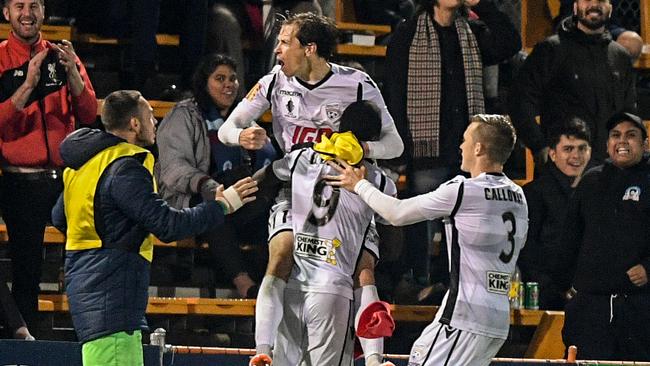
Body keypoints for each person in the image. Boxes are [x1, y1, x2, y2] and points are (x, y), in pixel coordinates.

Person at [218, 12, 404, 365]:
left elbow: (395, 145)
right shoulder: (275, 82)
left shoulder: (359, 83)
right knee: (281, 254)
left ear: (310, 48)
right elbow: (229, 128)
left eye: (285, 42)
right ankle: (263, 352)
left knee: (363, 268)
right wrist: (241, 136)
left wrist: (363, 151)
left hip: (347, 186)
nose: (277, 50)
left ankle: (376, 358)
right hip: (296, 184)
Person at [51, 90, 258, 365]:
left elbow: (59, 218)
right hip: (112, 294)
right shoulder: (126, 167)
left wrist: (107, 231)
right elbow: (168, 225)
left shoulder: (85, 165)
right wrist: (222, 205)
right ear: (134, 124)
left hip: (94, 289)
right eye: (150, 115)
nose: (155, 122)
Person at [329, 114, 528, 366]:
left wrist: (359, 185)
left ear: (479, 148)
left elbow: (396, 214)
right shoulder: (518, 195)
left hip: (464, 316)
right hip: (498, 318)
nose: (460, 146)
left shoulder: (464, 190)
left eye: (465, 140)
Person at [384, 0, 521, 289]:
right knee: (422, 218)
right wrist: (403, 146)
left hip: (469, 147)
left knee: (467, 219)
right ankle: (420, 281)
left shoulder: (472, 31)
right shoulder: (408, 34)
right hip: (427, 146)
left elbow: (510, 43)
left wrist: (481, 5)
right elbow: (395, 93)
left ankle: (457, 282)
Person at [264, 100, 397, 365]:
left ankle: (262, 348)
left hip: (295, 286)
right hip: (334, 289)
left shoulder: (302, 156)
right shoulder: (376, 178)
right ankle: (374, 358)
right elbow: (392, 215)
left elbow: (271, 173)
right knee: (365, 272)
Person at [0, 0, 97, 330]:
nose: (27, 13)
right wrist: (27, 85)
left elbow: (88, 112)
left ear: (44, 11)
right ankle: (25, 352)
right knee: (26, 273)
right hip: (18, 181)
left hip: (63, 180)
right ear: (6, 14)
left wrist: (72, 73)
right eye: (19, 6)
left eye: (34, 5)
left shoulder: (62, 54)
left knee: (91, 251)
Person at [157, 53, 276, 298]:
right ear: (204, 82)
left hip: (236, 201)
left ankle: (274, 283)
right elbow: (173, 169)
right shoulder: (184, 115)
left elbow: (268, 155)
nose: (228, 84)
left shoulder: (243, 120)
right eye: (219, 78)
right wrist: (209, 185)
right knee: (215, 207)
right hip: (189, 200)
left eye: (233, 78)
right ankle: (244, 283)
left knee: (275, 204)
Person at [558, 112, 650, 361]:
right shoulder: (591, 181)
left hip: (638, 308)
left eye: (631, 135)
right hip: (590, 309)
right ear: (607, 144)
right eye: (615, 135)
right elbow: (570, 239)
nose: (622, 141)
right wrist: (567, 288)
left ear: (645, 144)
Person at [509, 0, 637, 167]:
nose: (594, 5)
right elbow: (519, 100)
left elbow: (629, 112)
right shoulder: (550, 50)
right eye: (587, 0)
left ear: (610, 9)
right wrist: (539, 146)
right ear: (575, 7)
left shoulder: (620, 57)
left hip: (609, 171)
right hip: (562, 172)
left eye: (600, 0)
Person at [518, 118, 591, 310]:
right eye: (568, 149)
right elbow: (528, 252)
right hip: (548, 298)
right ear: (552, 154)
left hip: (587, 293)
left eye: (582, 148)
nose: (576, 156)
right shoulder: (534, 194)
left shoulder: (596, 192)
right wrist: (556, 292)